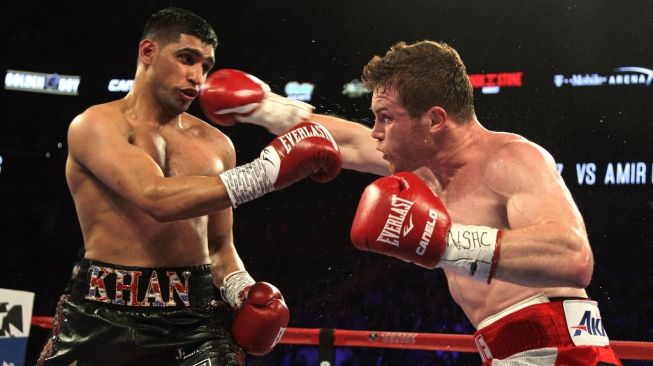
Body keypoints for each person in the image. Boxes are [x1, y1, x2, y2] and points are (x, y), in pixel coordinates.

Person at [209, 41, 622, 365]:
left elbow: (573, 256)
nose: (375, 132)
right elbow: (346, 139)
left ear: (436, 120)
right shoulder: (427, 169)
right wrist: (263, 107)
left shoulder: (510, 158)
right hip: (509, 351)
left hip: (567, 353)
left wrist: (444, 242)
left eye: (385, 117)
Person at [37, 7, 341, 366]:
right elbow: (155, 197)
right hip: (101, 317)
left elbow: (217, 248)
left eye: (206, 66)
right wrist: (266, 173)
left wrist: (240, 289)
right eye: (186, 59)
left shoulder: (217, 146)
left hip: (193, 323)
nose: (197, 77)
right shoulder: (95, 125)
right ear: (147, 52)